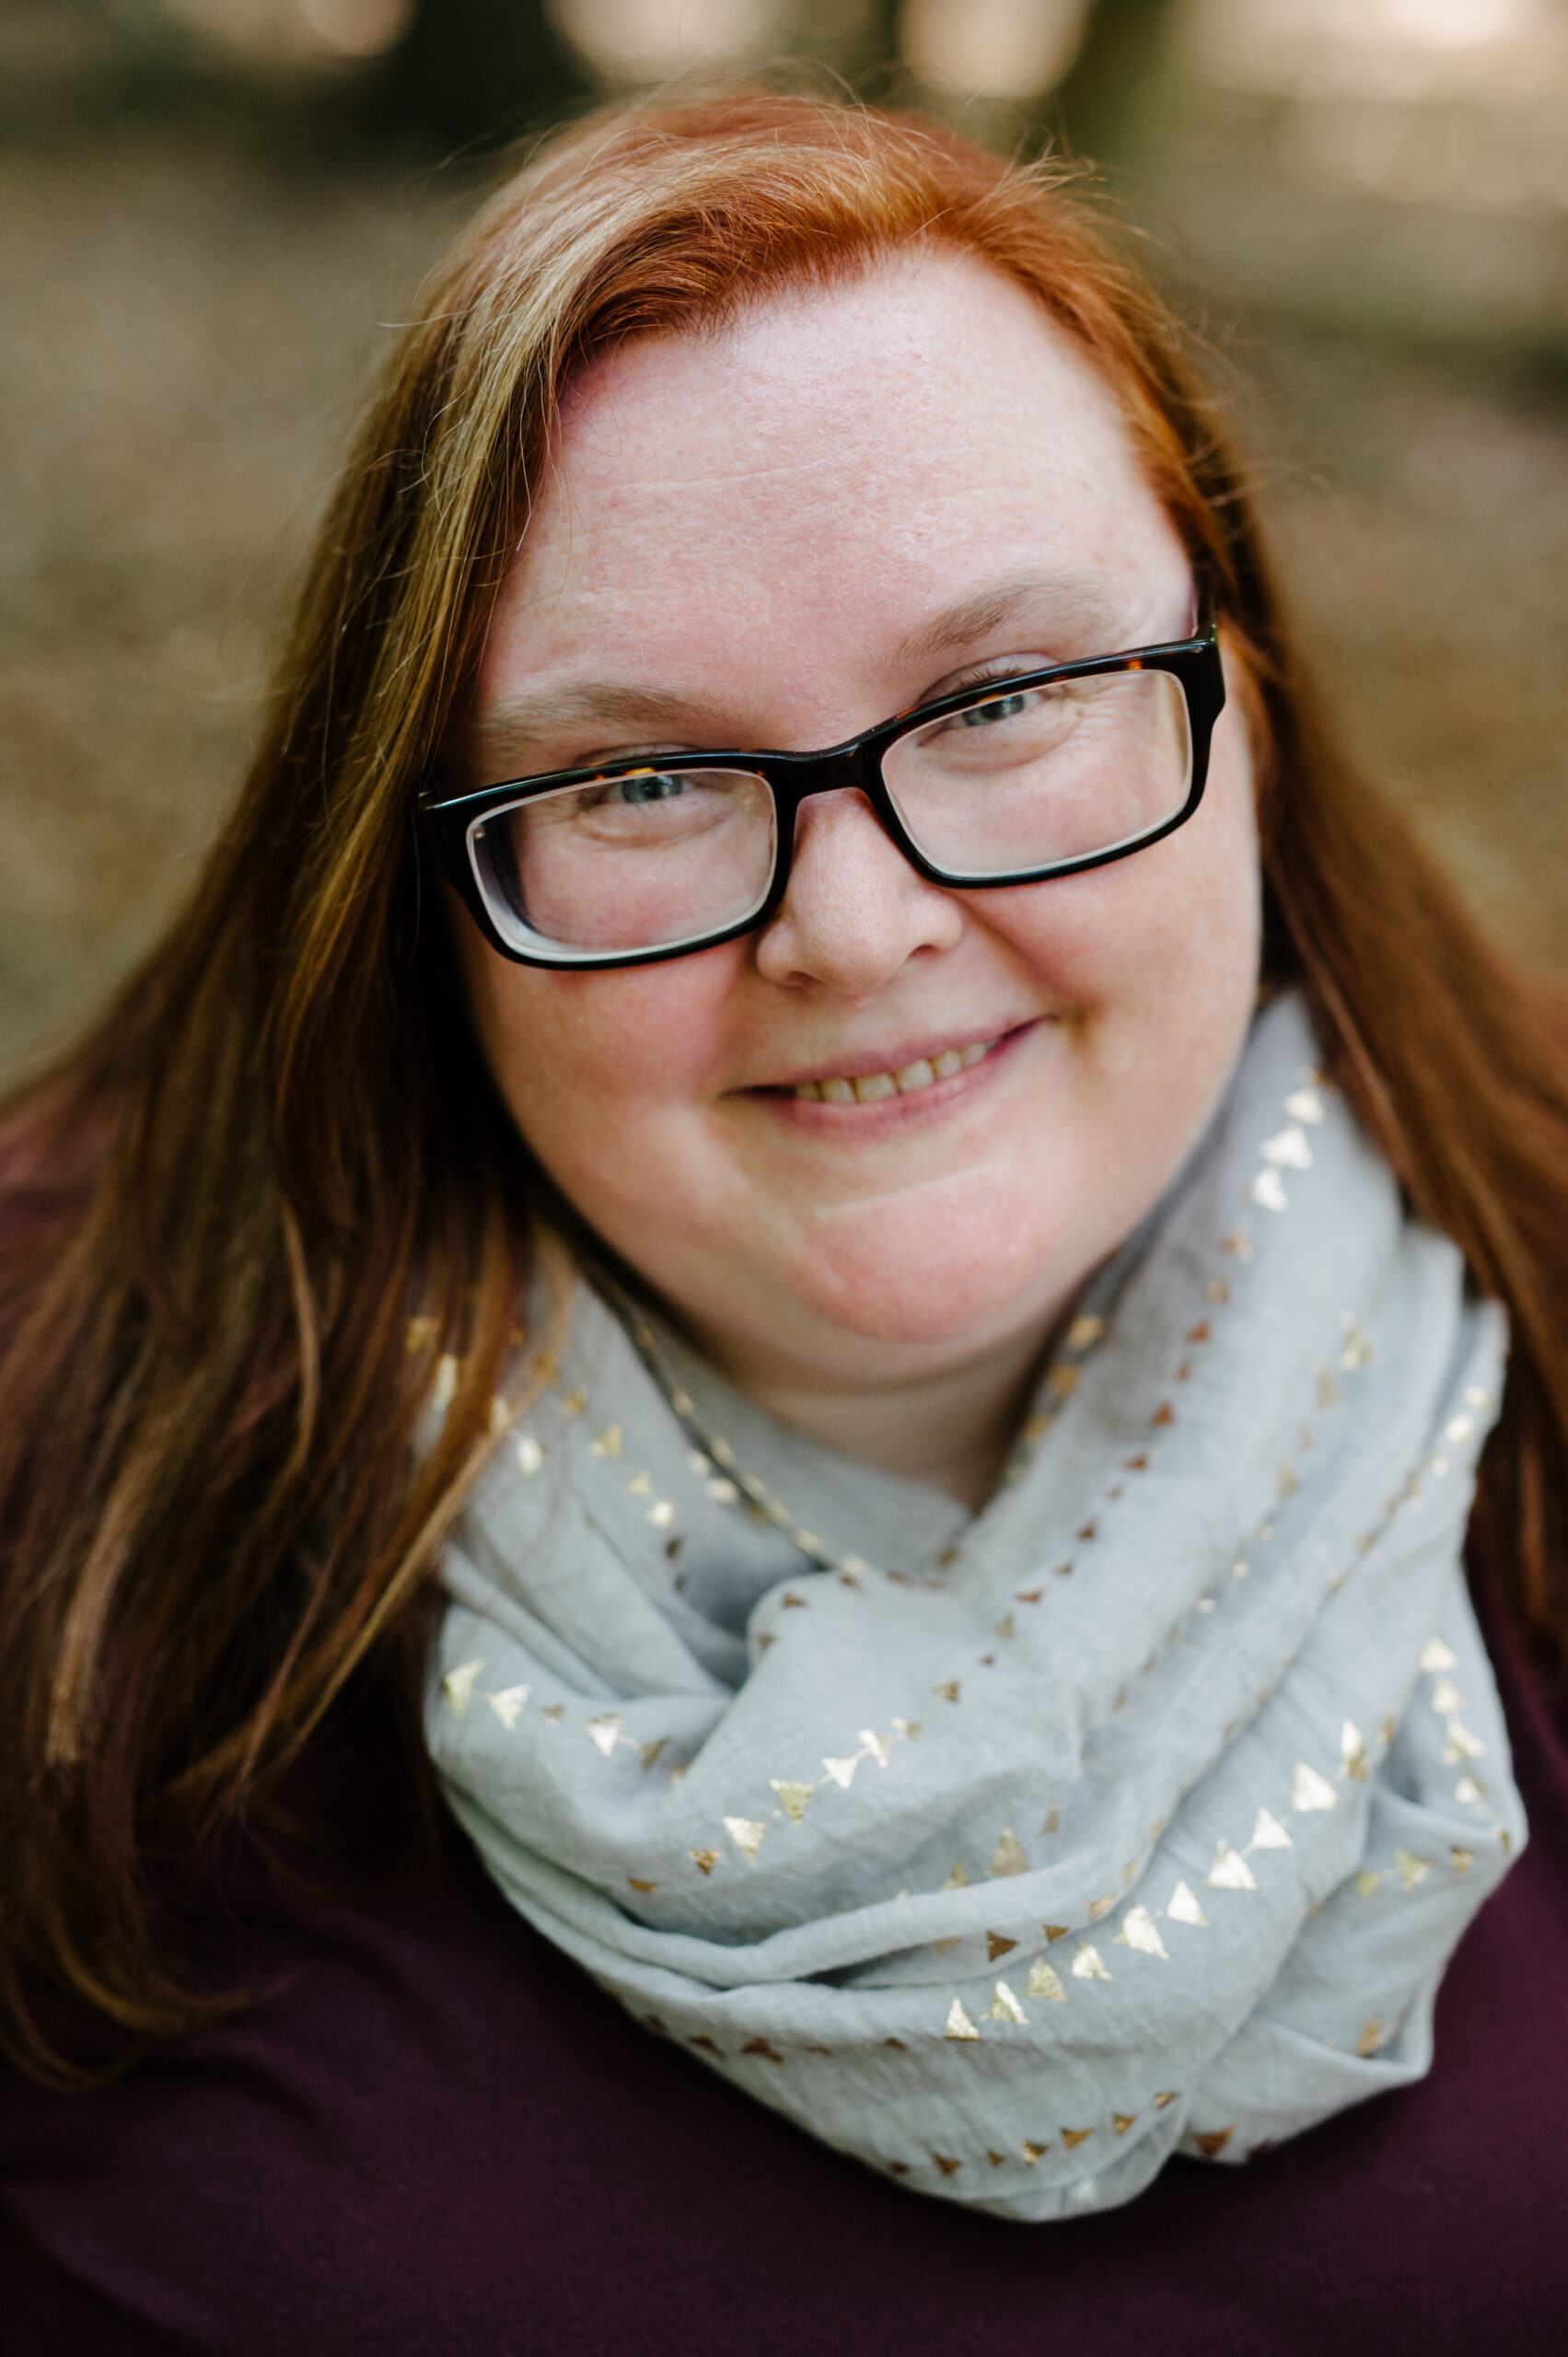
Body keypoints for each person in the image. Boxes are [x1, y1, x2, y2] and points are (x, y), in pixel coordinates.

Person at [2, 88, 1566, 2354]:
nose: (858, 921)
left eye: (1008, 698)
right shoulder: (64, 1476)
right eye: (638, 777)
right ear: (420, 871)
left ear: (1253, 705)